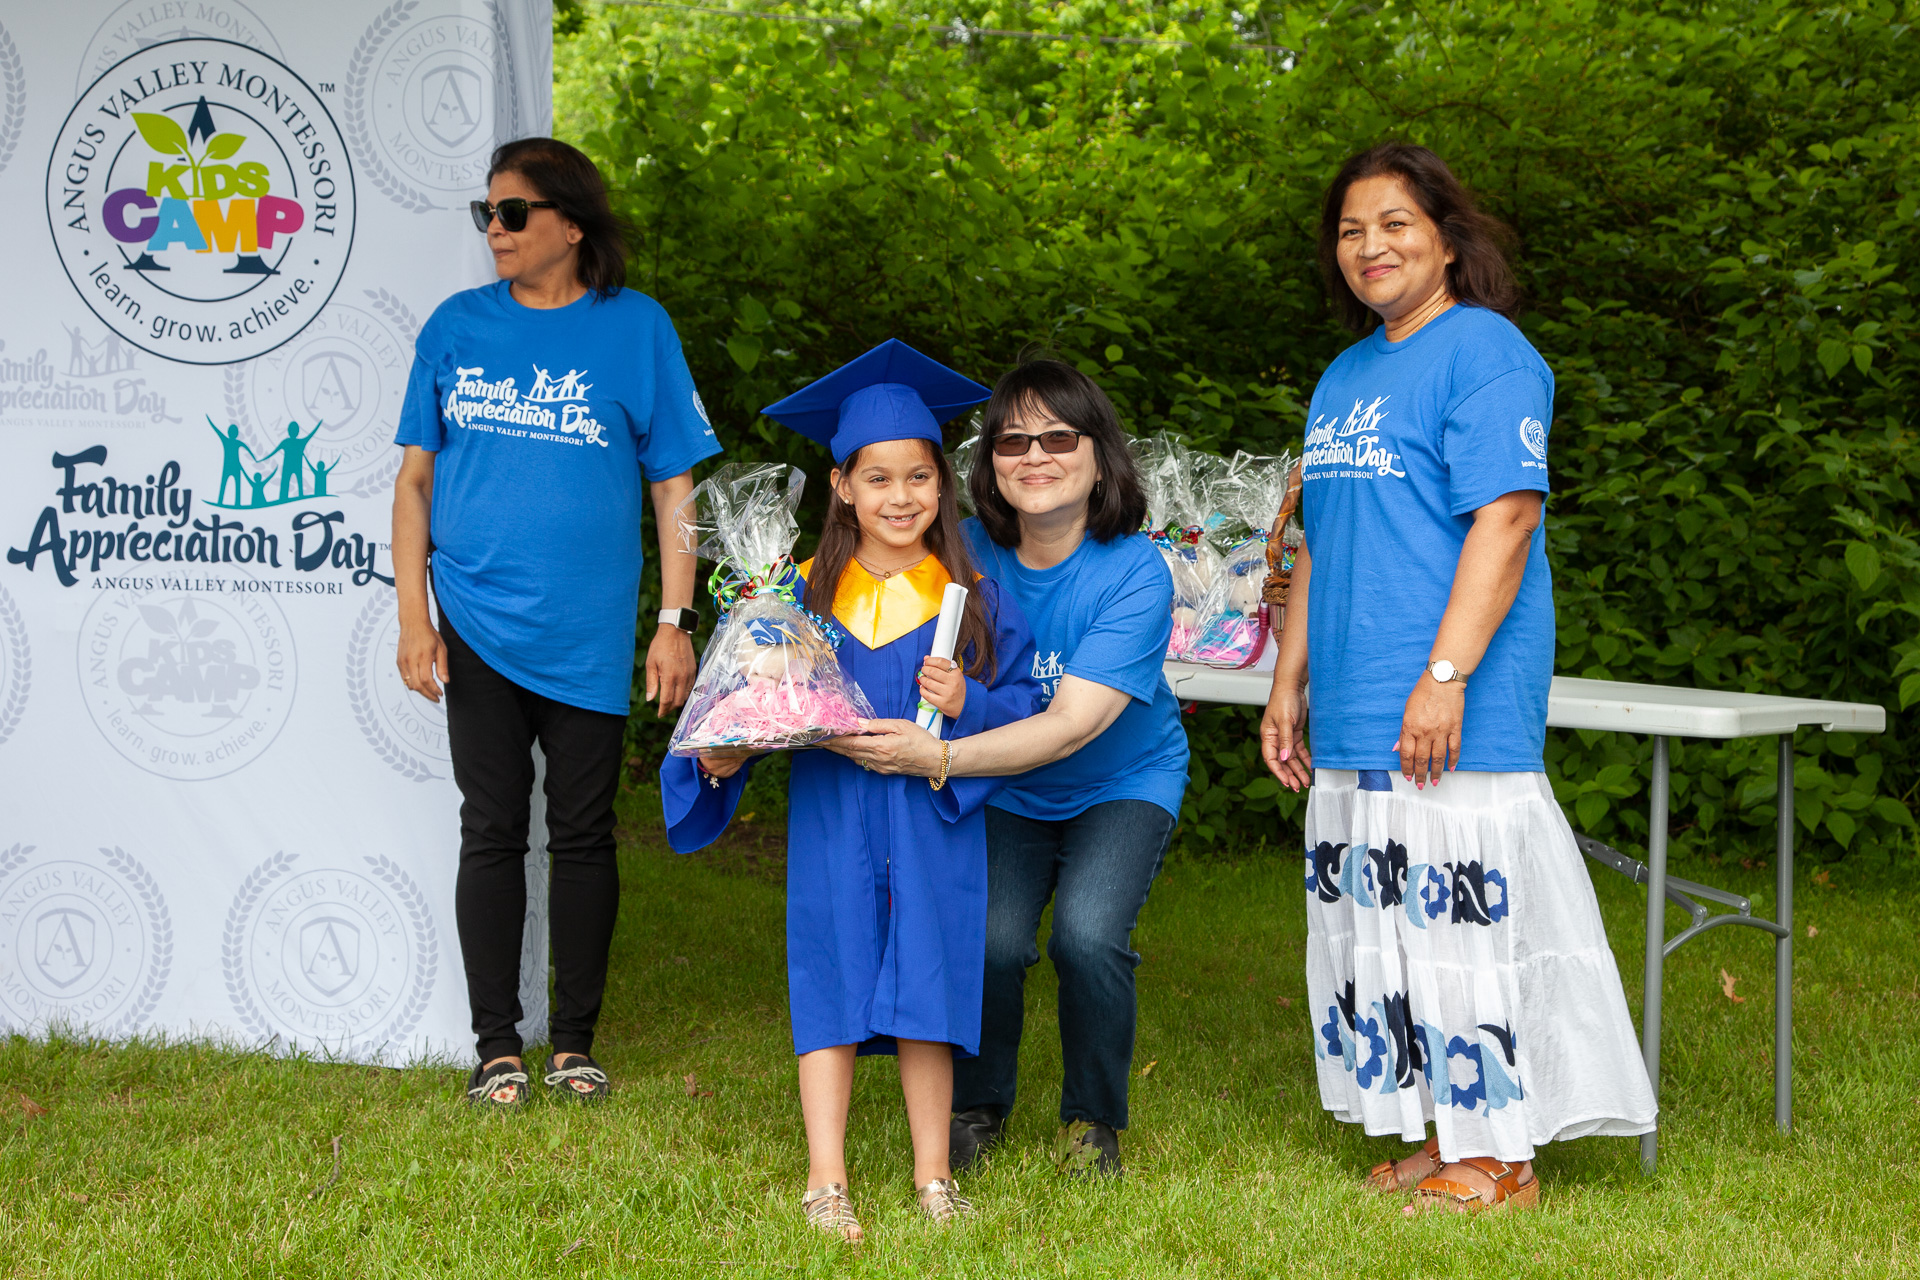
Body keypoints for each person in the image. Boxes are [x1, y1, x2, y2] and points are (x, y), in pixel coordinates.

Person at [1258, 142, 1655, 1212]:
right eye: (1351, 230)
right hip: (1355, 699)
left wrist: (1445, 673)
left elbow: (1508, 516)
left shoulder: (1487, 351)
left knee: (1466, 925)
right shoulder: (1344, 376)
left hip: (1450, 694)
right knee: (1393, 933)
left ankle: (1504, 1156)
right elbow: (1319, 540)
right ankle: (1450, 1133)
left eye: (1395, 223)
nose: (1370, 246)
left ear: (1445, 238)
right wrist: (1289, 682)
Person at [661, 340, 1042, 1240]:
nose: (900, 497)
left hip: (934, 821)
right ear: (840, 487)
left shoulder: (972, 598)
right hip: (833, 818)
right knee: (829, 977)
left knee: (929, 988)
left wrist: (972, 701)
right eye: (877, 479)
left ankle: (934, 1178)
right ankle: (825, 1182)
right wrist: (720, 759)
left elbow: (1028, 711)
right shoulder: (793, 600)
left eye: (919, 477)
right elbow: (743, 706)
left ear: (942, 485)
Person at [392, 137, 721, 1109]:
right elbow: (413, 483)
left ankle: (574, 1043)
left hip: (587, 632)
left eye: (512, 212)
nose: (494, 229)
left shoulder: (638, 327)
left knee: (582, 833)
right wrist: (414, 615)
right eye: (486, 213)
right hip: (475, 621)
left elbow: (674, 485)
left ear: (571, 225)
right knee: (491, 829)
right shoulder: (457, 326)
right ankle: (496, 1045)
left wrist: (674, 620)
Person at [835, 360, 1188, 1178]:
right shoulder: (963, 552)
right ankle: (978, 1104)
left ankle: (1092, 1118)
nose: (1035, 456)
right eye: (1012, 440)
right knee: (989, 940)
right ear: (987, 461)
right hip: (1004, 788)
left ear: (1100, 454)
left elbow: (1068, 728)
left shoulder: (1134, 571)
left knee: (1087, 936)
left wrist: (938, 757)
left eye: (1059, 438)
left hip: (1118, 780)